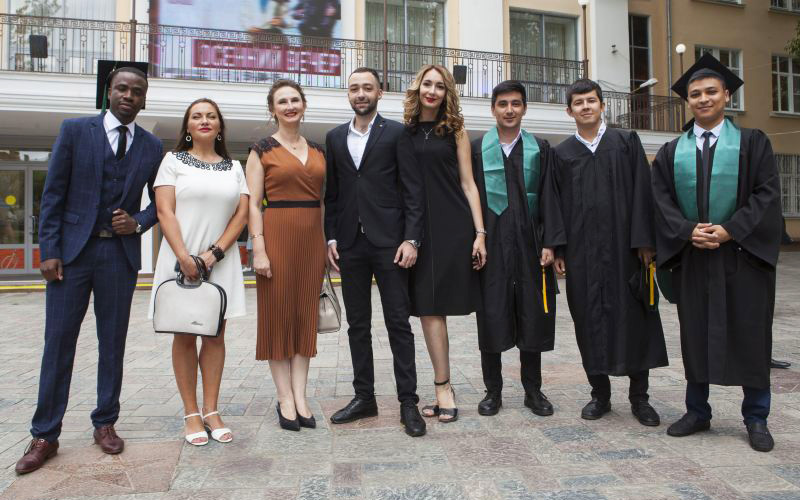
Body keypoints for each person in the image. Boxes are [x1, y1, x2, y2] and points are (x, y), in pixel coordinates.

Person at [16, 61, 163, 474]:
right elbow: (53, 195)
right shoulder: (76, 130)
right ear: (109, 91)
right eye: (122, 89)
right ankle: (45, 433)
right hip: (72, 257)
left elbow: (162, 200)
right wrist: (48, 251)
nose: (129, 96)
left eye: (137, 91)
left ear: (144, 98)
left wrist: (138, 221)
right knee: (59, 342)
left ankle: (105, 422)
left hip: (118, 257)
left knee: (112, 343)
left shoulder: (152, 145)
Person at [652, 53, 782, 452]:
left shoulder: (753, 142)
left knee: (750, 333)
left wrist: (730, 230)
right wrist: (689, 230)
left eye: (711, 91)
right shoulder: (672, 151)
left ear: (727, 94)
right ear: (687, 101)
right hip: (694, 255)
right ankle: (698, 410)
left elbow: (766, 194)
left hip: (743, 256)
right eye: (695, 94)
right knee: (695, 333)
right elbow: (660, 201)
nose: (703, 99)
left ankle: (756, 416)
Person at [543, 78, 667, 427]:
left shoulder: (625, 142)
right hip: (583, 253)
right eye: (578, 102)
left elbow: (644, 191)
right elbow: (553, 204)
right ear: (569, 111)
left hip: (626, 251)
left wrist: (645, 242)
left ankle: (639, 398)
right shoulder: (561, 154)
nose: (585, 107)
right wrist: (560, 247)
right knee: (589, 319)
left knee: (635, 319)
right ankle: (600, 395)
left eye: (592, 101)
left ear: (602, 106)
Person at [324, 67, 427, 437]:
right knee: (358, 326)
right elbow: (333, 195)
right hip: (350, 245)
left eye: (367, 88)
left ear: (380, 92)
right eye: (354, 88)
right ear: (348, 94)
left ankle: (408, 403)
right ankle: (364, 397)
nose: (361, 93)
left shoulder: (398, 133)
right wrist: (331, 238)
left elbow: (413, 190)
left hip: (391, 245)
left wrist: (411, 239)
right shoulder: (334, 137)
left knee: (398, 324)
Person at [148, 98, 249, 446]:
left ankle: (212, 410)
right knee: (184, 334)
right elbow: (165, 211)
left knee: (216, 334)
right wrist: (185, 257)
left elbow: (241, 215)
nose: (204, 120)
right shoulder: (172, 161)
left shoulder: (236, 167)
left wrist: (213, 254)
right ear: (187, 127)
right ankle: (191, 413)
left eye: (211, 116)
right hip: (180, 260)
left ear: (219, 125)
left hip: (219, 260)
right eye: (197, 116)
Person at [403, 64, 486, 424]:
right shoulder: (401, 132)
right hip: (415, 228)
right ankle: (442, 385)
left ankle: (444, 388)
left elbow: (468, 184)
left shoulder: (456, 131)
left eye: (439, 86)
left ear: (447, 92)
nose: (432, 91)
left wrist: (480, 233)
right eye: (427, 84)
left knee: (438, 305)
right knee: (426, 308)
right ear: (417, 88)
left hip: (452, 226)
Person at [471, 80, 560, 418]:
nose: (509, 110)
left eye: (516, 104)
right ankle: (492, 391)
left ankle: (533, 391)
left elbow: (551, 197)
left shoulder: (540, 149)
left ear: (524, 108)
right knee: (491, 315)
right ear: (493, 109)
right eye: (503, 103)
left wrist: (551, 241)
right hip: (491, 246)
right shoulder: (477, 149)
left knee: (532, 316)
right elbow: (470, 199)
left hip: (531, 247)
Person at [247, 79, 327, 432]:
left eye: (295, 99)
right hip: (276, 232)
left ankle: (301, 395)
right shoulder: (261, 149)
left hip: (312, 237)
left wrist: (325, 243)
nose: (290, 105)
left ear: (304, 105)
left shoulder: (319, 149)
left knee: (303, 317)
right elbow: (252, 202)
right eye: (283, 101)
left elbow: (324, 201)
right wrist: (259, 247)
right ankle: (284, 398)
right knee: (278, 317)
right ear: (273, 109)